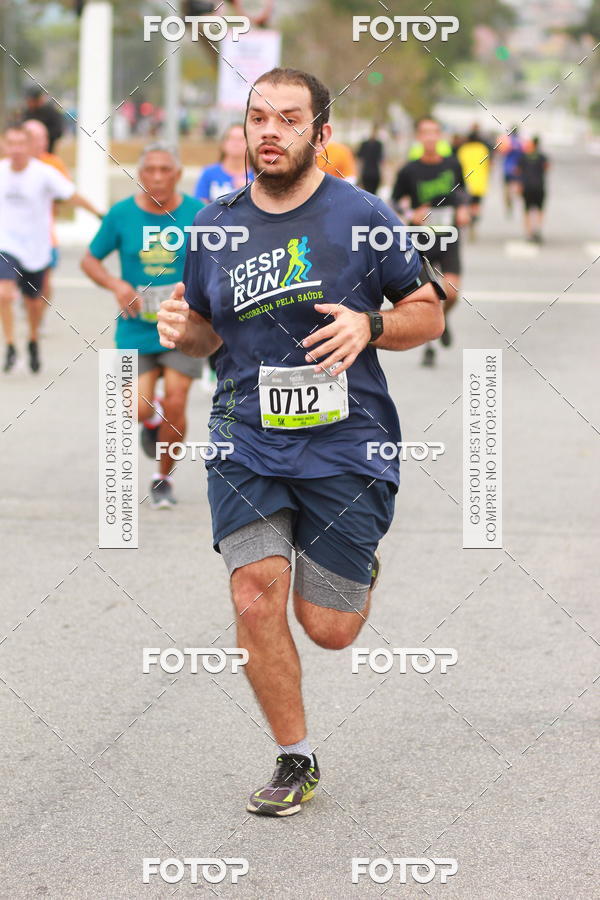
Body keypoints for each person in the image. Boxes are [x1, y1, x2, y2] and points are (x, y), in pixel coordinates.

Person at [157, 67, 445, 817]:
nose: (270, 132)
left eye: (289, 119)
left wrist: (371, 323)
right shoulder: (213, 224)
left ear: (321, 134)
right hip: (245, 439)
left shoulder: (362, 214)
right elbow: (206, 328)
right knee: (255, 595)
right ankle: (296, 756)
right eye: (258, 117)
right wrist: (182, 330)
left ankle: (355, 565)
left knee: (331, 629)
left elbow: (428, 311)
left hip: (349, 445)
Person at [81, 143, 204, 509]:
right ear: (140, 174)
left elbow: (220, 261)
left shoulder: (199, 214)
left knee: (178, 399)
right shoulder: (121, 215)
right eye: (149, 170)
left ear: (178, 174)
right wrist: (117, 285)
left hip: (184, 327)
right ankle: (152, 425)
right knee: (136, 409)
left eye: (165, 170)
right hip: (136, 326)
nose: (156, 177)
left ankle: (162, 478)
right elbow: (90, 260)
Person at [0, 125, 101, 373]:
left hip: (36, 248)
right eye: (10, 144)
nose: (15, 150)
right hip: (6, 244)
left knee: (34, 303)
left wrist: (100, 214)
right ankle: (11, 344)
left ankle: (33, 339)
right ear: (5, 145)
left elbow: (72, 196)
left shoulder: (44, 173)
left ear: (29, 146)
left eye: (20, 144)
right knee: (4, 293)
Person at [392, 116, 470, 367]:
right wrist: (408, 214)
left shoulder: (452, 164)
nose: (430, 137)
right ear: (419, 137)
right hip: (421, 238)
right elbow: (394, 202)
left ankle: (441, 321)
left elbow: (462, 192)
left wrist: (463, 209)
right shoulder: (409, 170)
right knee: (429, 296)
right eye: (425, 133)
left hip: (449, 235)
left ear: (440, 136)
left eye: (434, 132)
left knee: (452, 292)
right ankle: (429, 346)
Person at [23, 119, 72, 315]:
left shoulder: (53, 163)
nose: (42, 142)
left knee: (44, 281)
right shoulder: (12, 163)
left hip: (46, 236)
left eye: (44, 137)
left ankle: (37, 318)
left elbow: (67, 194)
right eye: (37, 138)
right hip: (14, 238)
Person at [193, 123, 254, 204]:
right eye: (231, 138)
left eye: (241, 139)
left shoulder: (258, 176)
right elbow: (199, 206)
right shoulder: (208, 173)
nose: (236, 143)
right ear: (223, 143)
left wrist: (251, 192)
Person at [456, 125, 493, 240]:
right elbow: (488, 165)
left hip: (466, 182)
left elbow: (458, 166)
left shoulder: (463, 150)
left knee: (466, 204)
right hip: (480, 182)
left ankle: (468, 220)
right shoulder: (483, 149)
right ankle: (474, 221)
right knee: (476, 204)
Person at [516, 136, 549, 243]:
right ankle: (538, 229)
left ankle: (529, 232)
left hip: (527, 187)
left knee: (527, 210)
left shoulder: (523, 157)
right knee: (539, 210)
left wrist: (518, 185)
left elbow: (517, 171)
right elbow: (547, 167)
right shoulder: (542, 156)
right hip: (539, 186)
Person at [21, 85, 64, 153]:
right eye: (28, 101)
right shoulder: (26, 113)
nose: (29, 103)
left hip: (47, 153)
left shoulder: (51, 112)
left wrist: (41, 134)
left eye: (31, 101)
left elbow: (58, 132)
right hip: (29, 153)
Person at [501, 127, 523, 216]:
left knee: (506, 189)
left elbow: (502, 152)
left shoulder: (507, 141)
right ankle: (512, 199)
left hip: (507, 169)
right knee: (514, 187)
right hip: (516, 169)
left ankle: (509, 203)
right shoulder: (521, 143)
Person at [357, 126, 384, 194]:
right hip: (368, 172)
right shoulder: (366, 144)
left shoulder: (378, 144)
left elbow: (381, 161)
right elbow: (360, 160)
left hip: (373, 173)